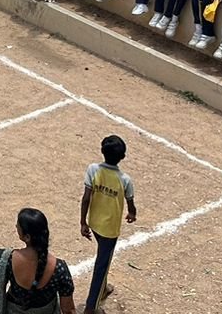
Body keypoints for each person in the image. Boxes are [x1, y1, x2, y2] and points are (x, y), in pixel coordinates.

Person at [79, 134, 137, 314]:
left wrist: (83, 222)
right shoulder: (125, 179)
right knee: (101, 266)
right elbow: (130, 202)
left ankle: (103, 289)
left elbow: (86, 198)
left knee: (103, 261)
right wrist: (132, 213)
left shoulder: (93, 170)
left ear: (102, 151)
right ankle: (90, 308)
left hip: (94, 222)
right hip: (110, 230)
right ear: (123, 157)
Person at [0, 208, 75, 314]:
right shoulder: (59, 268)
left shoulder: (7, 260)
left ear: (27, 237)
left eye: (18, 226)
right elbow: (68, 310)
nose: (16, 226)